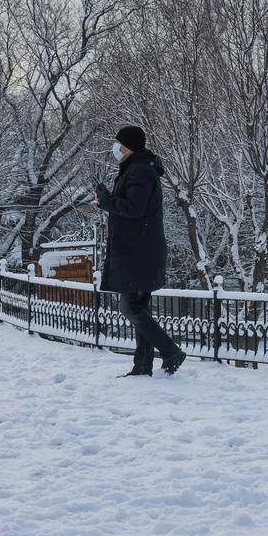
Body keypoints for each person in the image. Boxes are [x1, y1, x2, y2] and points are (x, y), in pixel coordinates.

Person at [94, 125, 186, 376]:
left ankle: (170, 351)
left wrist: (106, 201)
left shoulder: (139, 172)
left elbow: (134, 209)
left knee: (129, 308)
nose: (116, 148)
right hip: (141, 250)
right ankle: (142, 366)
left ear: (129, 147)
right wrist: (108, 200)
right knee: (139, 308)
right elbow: (132, 206)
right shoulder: (138, 170)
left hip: (137, 253)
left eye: (119, 144)